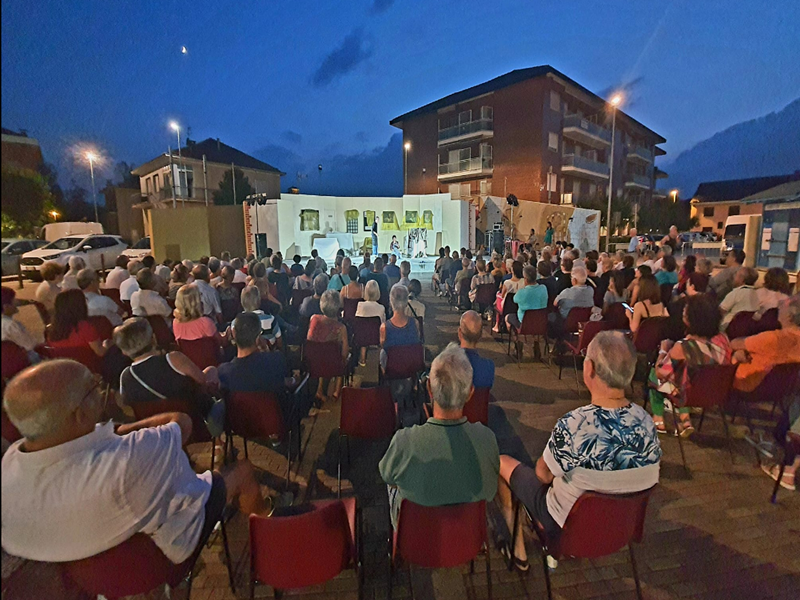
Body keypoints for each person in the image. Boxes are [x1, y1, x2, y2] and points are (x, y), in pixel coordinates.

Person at [1, 360, 270, 565]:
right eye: (94, 387)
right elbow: (181, 423)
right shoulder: (130, 458)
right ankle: (268, 531)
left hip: (94, 571)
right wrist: (116, 430)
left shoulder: (10, 465)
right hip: (164, 556)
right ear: (80, 415)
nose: (103, 389)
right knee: (243, 471)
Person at [497, 331, 661, 569]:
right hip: (620, 528)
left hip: (564, 527)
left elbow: (542, 476)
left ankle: (518, 549)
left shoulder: (576, 425)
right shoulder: (647, 422)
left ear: (590, 369)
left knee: (502, 462)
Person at [379, 343, 499, 527]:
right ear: (470, 393)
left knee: (394, 483)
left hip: (416, 537)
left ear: (429, 388)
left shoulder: (404, 442)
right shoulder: (487, 439)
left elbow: (386, 475)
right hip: (466, 535)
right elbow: (490, 491)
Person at [115, 317, 224, 430]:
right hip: (194, 426)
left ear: (124, 351)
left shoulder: (125, 377)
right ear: (153, 339)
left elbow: (129, 405)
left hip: (157, 434)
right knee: (212, 371)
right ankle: (219, 442)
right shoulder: (174, 359)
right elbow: (202, 381)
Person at [648, 294, 732, 435]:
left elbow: (660, 372)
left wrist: (663, 350)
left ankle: (658, 420)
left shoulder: (683, 347)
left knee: (654, 376)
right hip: (715, 392)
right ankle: (685, 420)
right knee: (684, 375)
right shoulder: (723, 339)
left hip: (689, 394)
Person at [730, 295, 800, 393]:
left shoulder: (773, 338)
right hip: (780, 393)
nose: (779, 306)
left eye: (783, 304)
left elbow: (734, 344)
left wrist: (739, 351)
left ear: (789, 316)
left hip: (749, 387)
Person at [219, 312, 291, 407]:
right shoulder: (276, 361)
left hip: (237, 421)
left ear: (234, 334)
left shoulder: (223, 373)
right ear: (258, 338)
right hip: (271, 418)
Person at [47, 289, 110, 371]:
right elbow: (100, 352)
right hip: (87, 369)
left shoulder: (50, 330)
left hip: (63, 370)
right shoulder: (84, 327)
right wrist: (107, 344)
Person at [308, 290, 349, 401]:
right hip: (333, 365)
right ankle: (336, 391)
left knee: (323, 352)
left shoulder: (313, 319)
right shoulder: (341, 328)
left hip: (314, 362)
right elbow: (344, 353)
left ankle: (320, 390)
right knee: (340, 357)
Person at [380, 285, 421, 369]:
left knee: (382, 352)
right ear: (406, 302)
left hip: (392, 368)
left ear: (391, 302)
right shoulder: (415, 323)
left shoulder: (384, 327)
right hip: (411, 366)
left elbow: (383, 345)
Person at [458, 311, 495, 389]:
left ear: (459, 333)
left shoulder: (446, 365)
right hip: (479, 401)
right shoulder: (489, 367)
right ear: (480, 335)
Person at [506, 266, 548, 331]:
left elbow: (514, 299)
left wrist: (518, 290)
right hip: (540, 321)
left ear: (525, 279)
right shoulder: (543, 288)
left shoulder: (522, 292)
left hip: (524, 323)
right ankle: (536, 338)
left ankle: (515, 338)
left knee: (507, 317)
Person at [719, 267, 759, 331]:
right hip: (749, 328)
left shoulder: (736, 293)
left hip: (730, 327)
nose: (733, 277)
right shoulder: (756, 293)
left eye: (736, 275)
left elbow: (721, 311)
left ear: (741, 279)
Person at [1, 287, 38, 356]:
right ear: (6, 307)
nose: (17, 303)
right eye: (13, 300)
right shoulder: (11, 325)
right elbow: (29, 346)